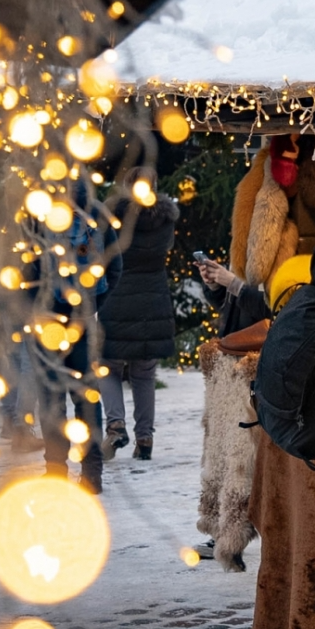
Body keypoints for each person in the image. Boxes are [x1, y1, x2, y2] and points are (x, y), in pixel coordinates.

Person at [25, 181, 122, 494]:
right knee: (86, 397)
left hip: (47, 320)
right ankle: (92, 475)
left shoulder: (37, 212)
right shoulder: (98, 214)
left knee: (51, 397)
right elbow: (116, 267)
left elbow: (24, 270)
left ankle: (55, 470)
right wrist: (93, 305)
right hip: (83, 317)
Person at [98, 189, 179, 461]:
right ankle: (145, 439)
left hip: (117, 299)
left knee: (108, 366)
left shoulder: (113, 219)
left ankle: (115, 425)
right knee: (144, 373)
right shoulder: (165, 222)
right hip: (153, 302)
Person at [196, 256, 271, 337]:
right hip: (231, 340)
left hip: (259, 341)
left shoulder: (274, 254)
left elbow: (271, 307)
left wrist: (234, 283)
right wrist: (215, 283)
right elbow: (226, 305)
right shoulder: (238, 250)